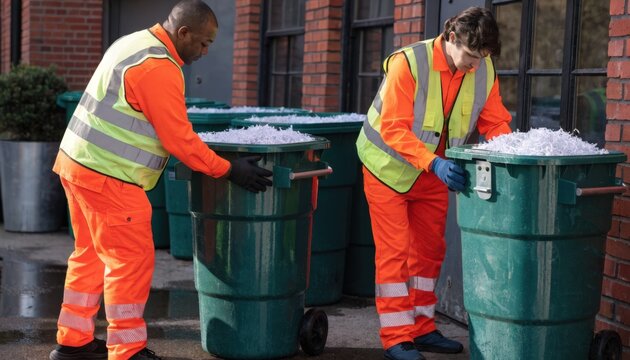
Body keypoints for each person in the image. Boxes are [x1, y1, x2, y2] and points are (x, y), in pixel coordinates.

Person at [49, 1, 272, 360]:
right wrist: (230, 170)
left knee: (90, 255)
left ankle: (72, 342)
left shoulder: (132, 43)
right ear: (183, 33)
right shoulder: (159, 68)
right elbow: (180, 141)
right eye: (203, 42)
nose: (205, 51)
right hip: (112, 178)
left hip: (79, 166)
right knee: (129, 261)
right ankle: (126, 350)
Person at [355, 7, 512, 360]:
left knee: (428, 252)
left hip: (433, 172)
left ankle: (422, 327)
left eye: (480, 59)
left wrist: (514, 153)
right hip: (387, 169)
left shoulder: (483, 68)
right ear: (452, 37)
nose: (474, 66)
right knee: (394, 253)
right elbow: (393, 128)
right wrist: (434, 163)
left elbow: (496, 122)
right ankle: (396, 336)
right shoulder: (408, 63)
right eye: (470, 57)